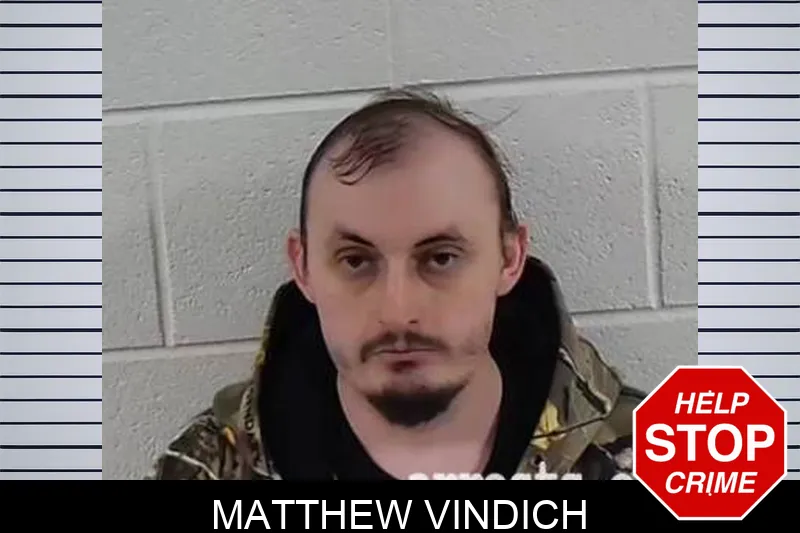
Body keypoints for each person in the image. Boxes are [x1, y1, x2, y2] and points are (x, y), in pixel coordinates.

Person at [146, 88, 646, 481]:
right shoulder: (209, 468)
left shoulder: (653, 456)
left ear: (509, 258)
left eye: (441, 258)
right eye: (356, 261)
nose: (398, 310)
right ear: (303, 268)